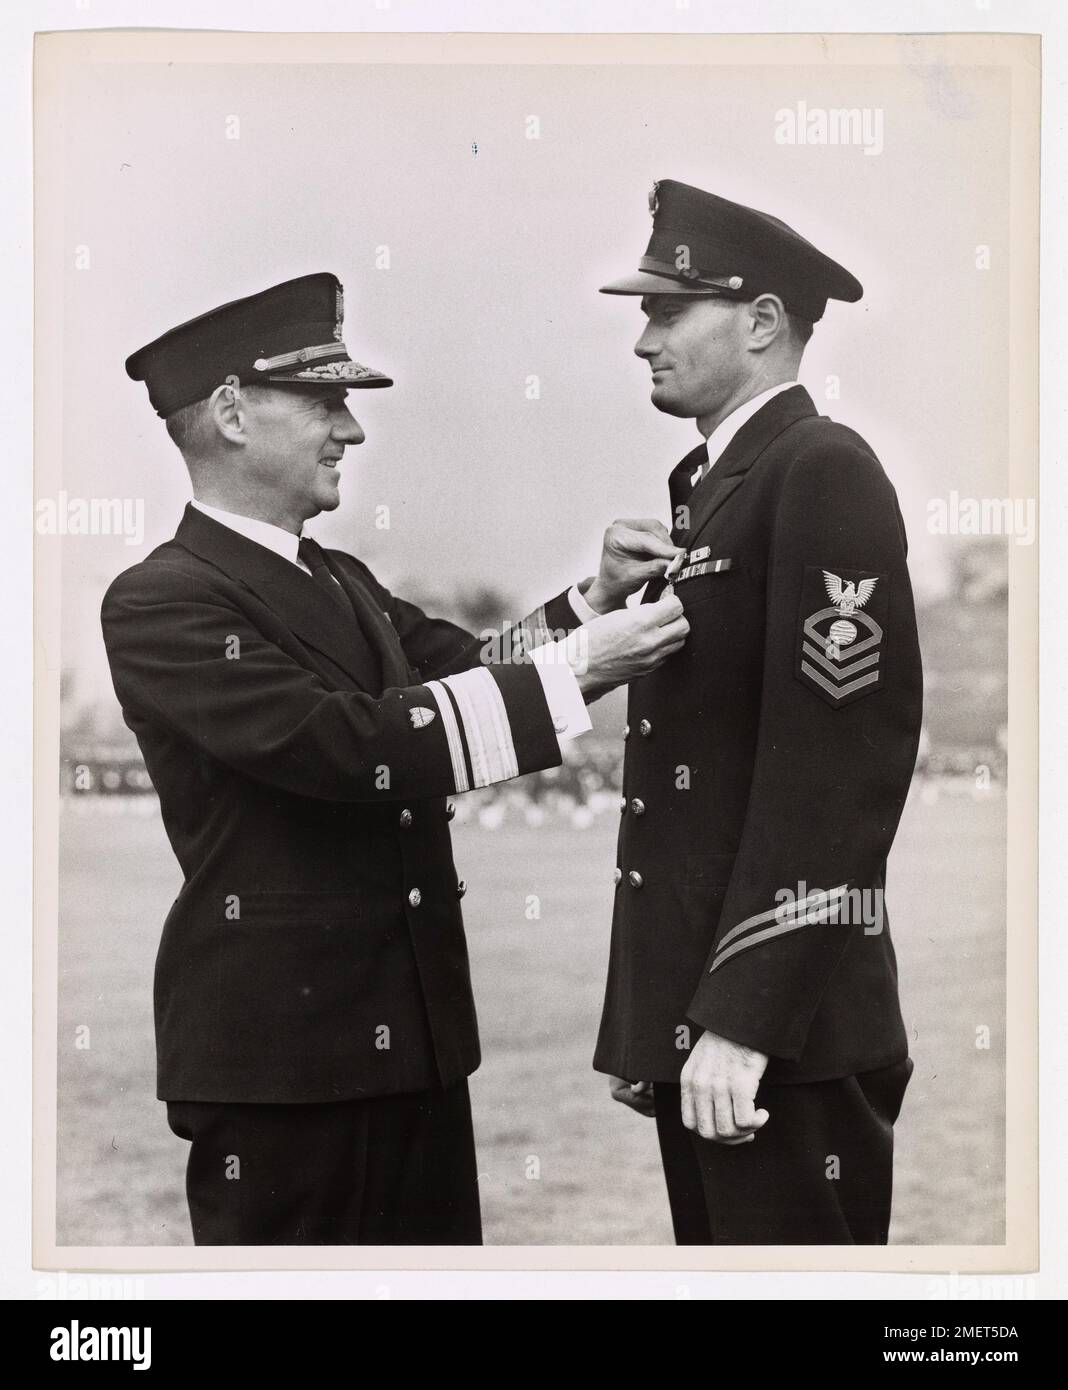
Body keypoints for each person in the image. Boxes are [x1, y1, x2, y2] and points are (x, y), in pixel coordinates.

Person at [102, 271, 688, 1245]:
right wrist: (584, 666)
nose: (352, 430)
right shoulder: (163, 599)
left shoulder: (337, 577)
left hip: (412, 1046)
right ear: (234, 414)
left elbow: (465, 667)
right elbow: (348, 744)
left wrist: (594, 603)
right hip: (282, 1072)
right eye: (325, 401)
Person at [593, 181, 924, 1244]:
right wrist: (665, 1028)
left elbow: (841, 769)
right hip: (717, 1029)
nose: (643, 338)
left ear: (764, 321)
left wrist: (740, 1022)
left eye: (667, 311)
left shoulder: (820, 470)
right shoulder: (719, 482)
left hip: (788, 1035)